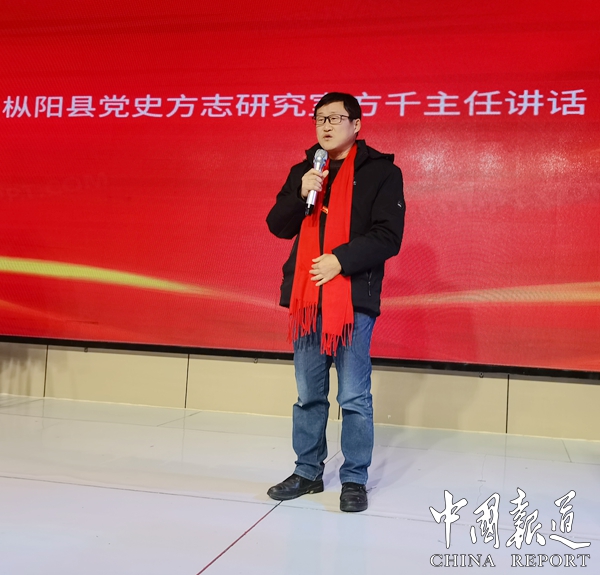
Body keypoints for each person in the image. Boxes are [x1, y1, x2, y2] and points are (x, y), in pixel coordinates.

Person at [265, 92, 405, 512]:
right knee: (308, 394)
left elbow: (388, 236)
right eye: (319, 119)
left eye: (335, 118)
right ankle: (307, 472)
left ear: (356, 125)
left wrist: (340, 260)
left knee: (354, 397)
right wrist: (300, 193)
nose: (326, 126)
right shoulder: (306, 170)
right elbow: (277, 225)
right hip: (309, 298)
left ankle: (354, 479)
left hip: (352, 297)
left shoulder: (382, 173)